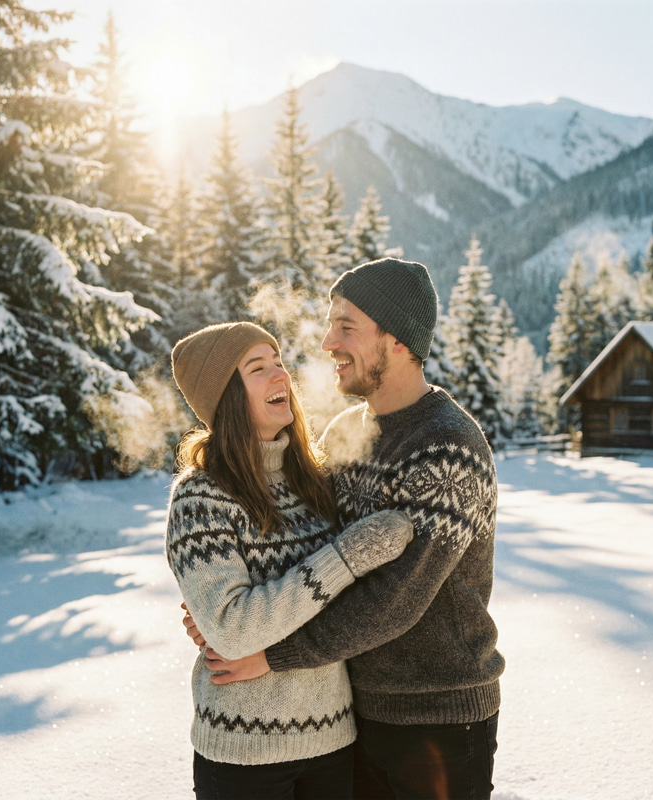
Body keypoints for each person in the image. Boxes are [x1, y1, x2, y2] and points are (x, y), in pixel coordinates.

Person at [195, 259, 505, 800]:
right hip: (355, 713)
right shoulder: (345, 433)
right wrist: (224, 615)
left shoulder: (445, 446)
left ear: (400, 341)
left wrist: (269, 653)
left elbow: (397, 599)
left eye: (347, 326)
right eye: (328, 323)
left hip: (437, 718)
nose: (326, 342)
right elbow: (312, 550)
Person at [165, 321, 414, 800]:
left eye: (279, 362)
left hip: (334, 739)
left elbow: (354, 601)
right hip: (244, 752)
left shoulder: (314, 480)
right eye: (258, 368)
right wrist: (343, 557)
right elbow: (233, 629)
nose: (280, 375)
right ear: (226, 397)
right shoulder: (200, 497)